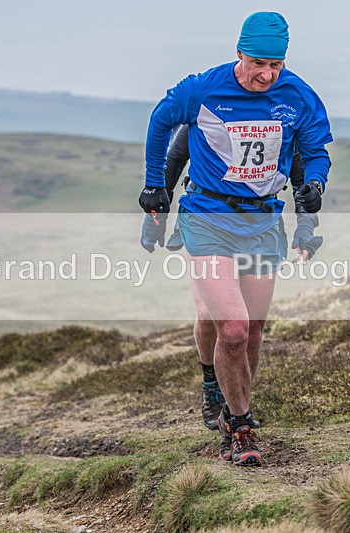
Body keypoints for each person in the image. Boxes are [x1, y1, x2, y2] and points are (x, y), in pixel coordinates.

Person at [140, 12, 332, 467]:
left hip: (262, 223)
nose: (267, 75)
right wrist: (154, 187)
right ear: (239, 53)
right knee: (232, 327)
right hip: (208, 217)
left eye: (276, 65)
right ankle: (238, 425)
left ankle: (231, 400)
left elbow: (315, 153)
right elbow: (161, 122)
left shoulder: (298, 96)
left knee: (254, 331)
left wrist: (314, 186)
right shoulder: (204, 89)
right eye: (259, 63)